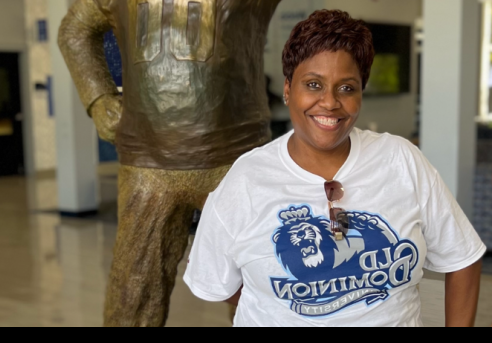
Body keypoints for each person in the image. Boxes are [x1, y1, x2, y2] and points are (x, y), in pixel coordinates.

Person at [184, 10, 486, 327]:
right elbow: (215, 281)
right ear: (288, 89)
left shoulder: (401, 160)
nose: (329, 102)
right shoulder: (246, 179)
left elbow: (463, 256)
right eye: (313, 84)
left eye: (346, 88)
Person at [58, 0, 281, 327]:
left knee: (260, 285)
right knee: (133, 291)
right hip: (147, 164)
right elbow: (74, 31)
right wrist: (98, 97)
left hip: (238, 159)